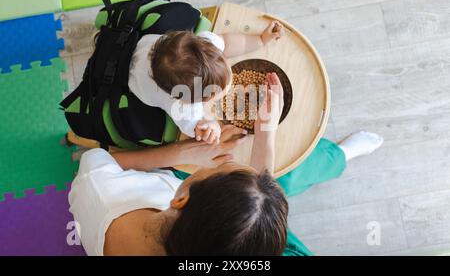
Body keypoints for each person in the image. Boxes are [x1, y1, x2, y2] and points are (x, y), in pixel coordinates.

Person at [69, 74, 383, 256]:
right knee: (276, 191)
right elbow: (259, 197)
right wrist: (266, 136)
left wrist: (183, 152)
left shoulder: (99, 188)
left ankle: (339, 156)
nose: (224, 160)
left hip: (147, 184)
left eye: (220, 167)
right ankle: (338, 156)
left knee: (268, 196)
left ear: (181, 198)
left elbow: (102, 158)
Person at [128, 20, 284, 144]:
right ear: (186, 99)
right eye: (214, 94)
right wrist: (210, 126)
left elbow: (226, 41)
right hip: (132, 78)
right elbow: (194, 128)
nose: (228, 90)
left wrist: (261, 39)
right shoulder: (183, 107)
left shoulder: (206, 44)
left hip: (140, 46)